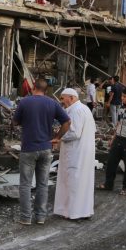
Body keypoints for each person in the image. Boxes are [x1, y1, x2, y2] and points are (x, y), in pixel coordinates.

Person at [12, 79, 70, 225]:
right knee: (42, 184)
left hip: (29, 148)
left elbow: (15, 122)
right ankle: (40, 217)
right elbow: (67, 122)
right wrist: (57, 138)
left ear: (33, 88)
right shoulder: (52, 103)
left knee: (25, 184)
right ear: (45, 90)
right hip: (46, 148)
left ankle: (26, 218)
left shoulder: (25, 102)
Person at [53, 88, 96, 220]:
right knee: (82, 182)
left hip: (76, 152)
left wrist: (58, 137)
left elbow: (74, 133)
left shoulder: (76, 110)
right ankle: (83, 211)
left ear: (71, 98)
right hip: (84, 152)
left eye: (62, 98)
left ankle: (73, 212)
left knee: (72, 181)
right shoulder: (84, 109)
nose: (61, 102)